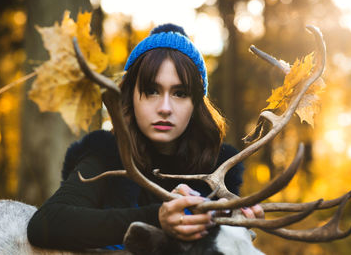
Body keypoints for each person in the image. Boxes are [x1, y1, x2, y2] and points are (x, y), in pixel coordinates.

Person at [27, 23, 264, 251]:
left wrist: (236, 223)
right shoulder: (106, 154)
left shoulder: (218, 165)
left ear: (195, 105)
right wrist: (157, 218)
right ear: (130, 97)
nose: (165, 107)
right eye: (151, 91)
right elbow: (46, 224)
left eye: (180, 93)